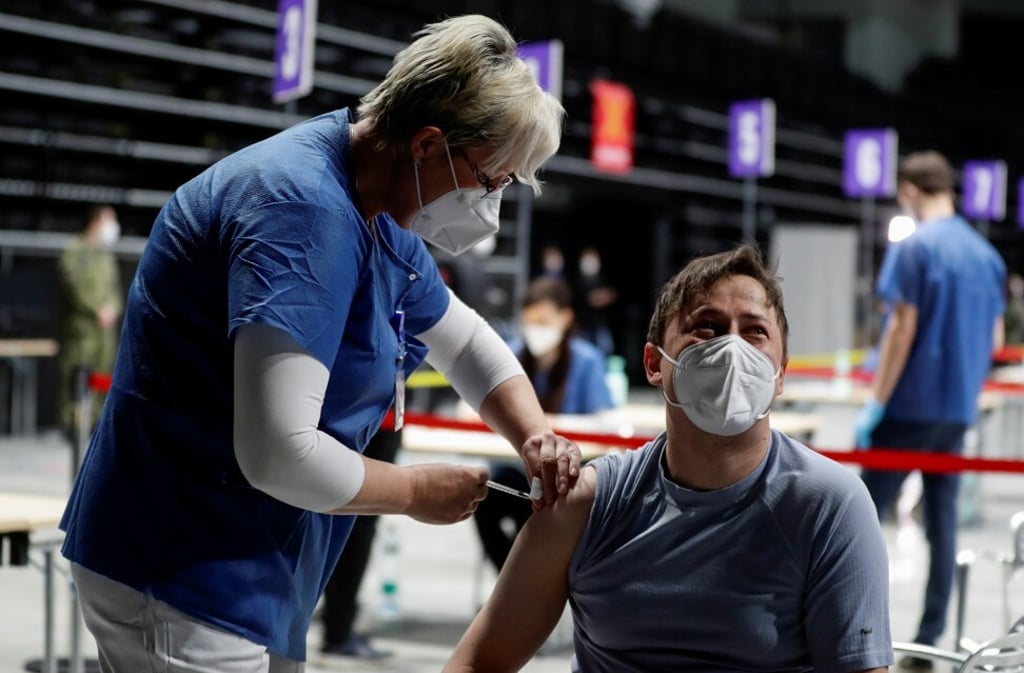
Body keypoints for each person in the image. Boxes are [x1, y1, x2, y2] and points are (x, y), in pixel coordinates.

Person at [59, 15, 579, 672]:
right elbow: (280, 452)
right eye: (492, 179)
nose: (491, 203)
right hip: (183, 561)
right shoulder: (301, 211)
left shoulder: (381, 205)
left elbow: (467, 342)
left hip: (251, 561)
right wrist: (415, 491)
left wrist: (535, 436)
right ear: (427, 144)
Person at [444, 244, 894, 673]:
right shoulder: (587, 505)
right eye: (707, 327)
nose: (732, 349)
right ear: (654, 363)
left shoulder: (828, 507)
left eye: (755, 331)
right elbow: (477, 662)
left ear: (780, 374)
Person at [853, 150, 1006, 670]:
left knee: (856, 521)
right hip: (957, 412)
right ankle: (928, 640)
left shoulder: (914, 248)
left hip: (907, 409)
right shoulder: (988, 256)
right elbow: (995, 338)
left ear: (911, 190)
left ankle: (851, 634)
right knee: (943, 528)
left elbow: (901, 329)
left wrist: (876, 402)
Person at [473, 276, 614, 572]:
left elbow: (605, 422)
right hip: (517, 470)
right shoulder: (510, 355)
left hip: (568, 476)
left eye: (543, 322)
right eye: (529, 322)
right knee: (484, 498)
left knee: (554, 510)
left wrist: (547, 424)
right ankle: (516, 578)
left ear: (565, 318)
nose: (534, 330)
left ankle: (533, 578)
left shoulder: (587, 360)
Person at [56, 204, 123, 440]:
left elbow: (114, 289)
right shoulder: (75, 249)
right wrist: (96, 310)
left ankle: (97, 426)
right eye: (109, 219)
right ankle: (73, 430)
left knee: (102, 378)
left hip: (104, 332)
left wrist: (112, 309)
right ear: (95, 221)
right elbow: (73, 286)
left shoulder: (105, 255)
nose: (113, 226)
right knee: (76, 379)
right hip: (82, 331)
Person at [574, 245, 617, 357]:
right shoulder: (578, 281)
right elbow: (588, 299)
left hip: (600, 323)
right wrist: (598, 298)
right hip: (584, 324)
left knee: (606, 350)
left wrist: (601, 297)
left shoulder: (602, 278)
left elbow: (611, 295)